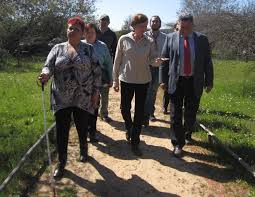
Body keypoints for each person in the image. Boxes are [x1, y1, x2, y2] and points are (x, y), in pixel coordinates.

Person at [38, 17, 101, 179]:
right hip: (61, 98)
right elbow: (48, 66)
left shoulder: (89, 49)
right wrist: (45, 74)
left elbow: (97, 71)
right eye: (70, 28)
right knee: (62, 131)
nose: (71, 31)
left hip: (83, 97)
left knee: (82, 126)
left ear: (82, 33)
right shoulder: (57, 49)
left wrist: (96, 92)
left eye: (75, 29)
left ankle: (83, 149)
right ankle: (62, 162)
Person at [159, 13, 214, 157]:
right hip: (176, 81)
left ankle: (186, 132)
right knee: (175, 114)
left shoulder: (202, 39)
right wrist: (162, 80)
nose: (183, 30)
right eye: (181, 27)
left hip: (194, 81)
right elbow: (164, 61)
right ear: (178, 25)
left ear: (192, 25)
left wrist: (209, 81)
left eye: (187, 28)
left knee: (191, 113)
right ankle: (178, 143)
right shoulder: (170, 38)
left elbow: (208, 62)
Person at [113, 13, 161, 156]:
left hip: (143, 81)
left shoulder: (149, 41)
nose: (145, 28)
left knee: (139, 112)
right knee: (124, 108)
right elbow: (117, 61)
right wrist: (115, 80)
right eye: (142, 26)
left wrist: (156, 62)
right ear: (134, 26)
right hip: (126, 80)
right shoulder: (124, 39)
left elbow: (152, 59)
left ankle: (135, 141)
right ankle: (129, 127)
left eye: (146, 25)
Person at [82, 23, 113, 142]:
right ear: (84, 33)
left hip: (97, 82)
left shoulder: (102, 46)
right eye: (87, 32)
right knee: (84, 108)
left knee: (94, 106)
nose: (89, 35)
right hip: (82, 83)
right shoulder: (80, 45)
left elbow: (108, 64)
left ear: (96, 33)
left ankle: (92, 132)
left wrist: (110, 79)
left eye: (92, 32)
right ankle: (84, 130)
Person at [143, 16, 167, 126]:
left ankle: (150, 113)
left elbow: (167, 52)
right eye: (153, 21)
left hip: (159, 68)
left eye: (157, 21)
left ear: (160, 23)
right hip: (146, 66)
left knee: (153, 91)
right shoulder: (145, 35)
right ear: (150, 23)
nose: (154, 23)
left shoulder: (165, 37)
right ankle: (144, 114)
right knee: (145, 91)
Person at [97, 14, 117, 122]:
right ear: (98, 21)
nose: (103, 22)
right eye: (101, 20)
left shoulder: (112, 34)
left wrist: (113, 66)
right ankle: (93, 112)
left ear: (109, 22)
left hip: (106, 67)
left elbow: (115, 51)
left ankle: (104, 114)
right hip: (93, 66)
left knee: (104, 92)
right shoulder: (94, 32)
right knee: (94, 91)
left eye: (105, 20)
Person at [162, 22, 179, 115]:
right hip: (169, 70)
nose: (178, 30)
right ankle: (165, 106)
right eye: (176, 29)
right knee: (168, 90)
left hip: (180, 72)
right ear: (174, 29)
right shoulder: (169, 39)